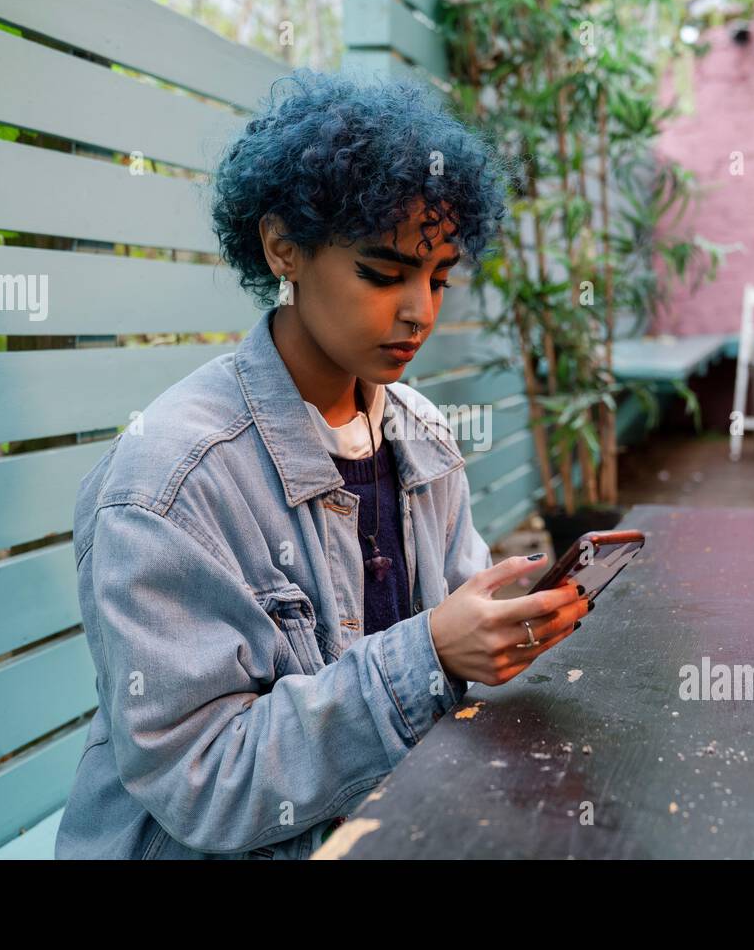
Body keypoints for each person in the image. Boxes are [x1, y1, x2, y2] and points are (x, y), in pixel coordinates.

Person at [55, 68, 590, 860]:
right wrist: (431, 653)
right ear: (283, 248)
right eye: (383, 272)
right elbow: (202, 780)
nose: (420, 311)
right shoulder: (168, 484)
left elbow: (453, 663)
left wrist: (506, 627)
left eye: (439, 277)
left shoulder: (423, 436)